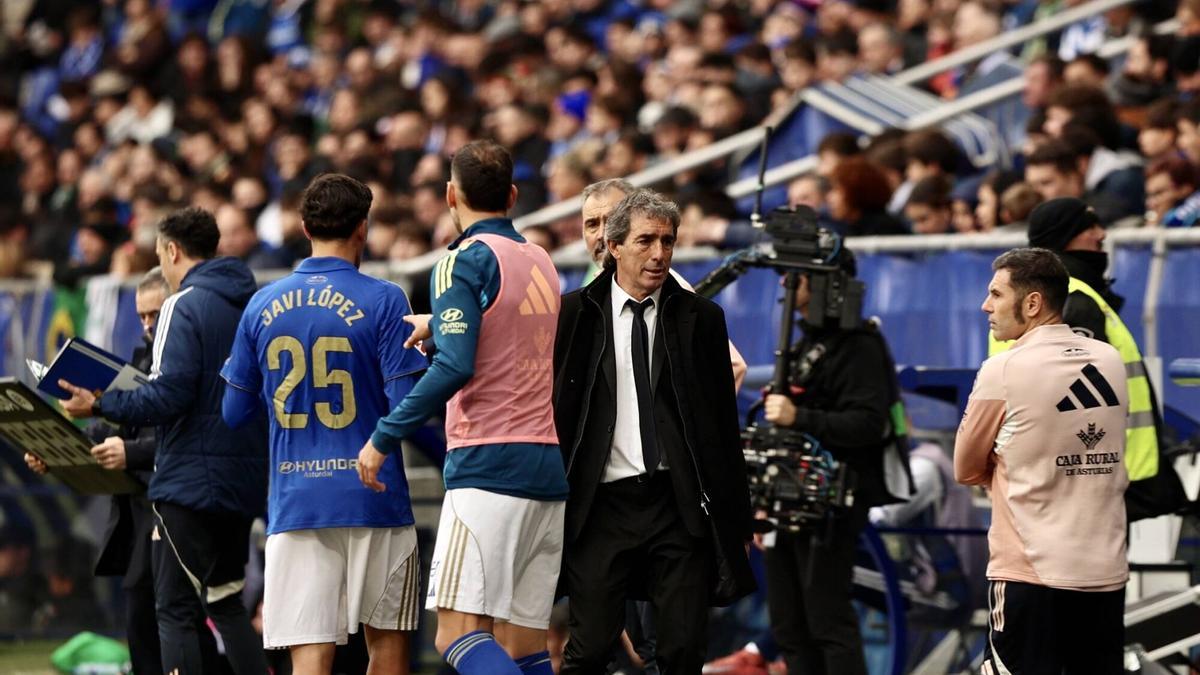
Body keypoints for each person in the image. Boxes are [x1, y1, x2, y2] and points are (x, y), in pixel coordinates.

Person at [356, 140, 567, 675]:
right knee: (525, 645)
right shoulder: (540, 259)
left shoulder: (460, 262)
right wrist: (441, 327)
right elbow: (506, 334)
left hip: (488, 464)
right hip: (547, 465)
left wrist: (384, 436)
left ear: (451, 194)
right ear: (513, 195)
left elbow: (456, 368)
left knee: (456, 635)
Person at [219, 174, 427, 674]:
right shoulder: (386, 299)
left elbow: (233, 413)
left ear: (305, 228)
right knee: (387, 654)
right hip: (373, 497)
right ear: (363, 228)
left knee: (310, 660)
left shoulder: (262, 304)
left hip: (296, 502)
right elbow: (407, 405)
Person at [58, 207, 269, 675]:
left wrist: (99, 404)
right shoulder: (253, 302)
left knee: (173, 609)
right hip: (244, 478)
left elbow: (168, 395)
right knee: (228, 604)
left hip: (189, 481)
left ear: (172, 251)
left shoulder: (184, 304)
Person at [553, 188, 755, 673]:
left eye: (668, 241)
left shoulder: (700, 318)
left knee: (681, 648)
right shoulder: (573, 314)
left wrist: (736, 516)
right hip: (600, 504)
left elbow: (720, 427)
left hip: (675, 500)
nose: (660, 253)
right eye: (646, 241)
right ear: (615, 247)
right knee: (591, 648)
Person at [957, 247, 1128, 674]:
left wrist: (1007, 464)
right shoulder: (1109, 360)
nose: (986, 306)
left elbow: (965, 468)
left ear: (1032, 304)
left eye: (996, 294)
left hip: (1030, 577)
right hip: (1104, 572)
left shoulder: (1004, 369)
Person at [759, 250, 910, 675]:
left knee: (826, 620)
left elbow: (866, 423)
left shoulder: (859, 344)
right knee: (789, 624)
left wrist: (798, 416)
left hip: (832, 501)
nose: (785, 287)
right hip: (789, 502)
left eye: (796, 278)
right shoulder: (806, 341)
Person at [26, 268, 172, 675]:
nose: (147, 324)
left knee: (168, 610)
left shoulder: (184, 361)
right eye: (142, 315)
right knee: (140, 602)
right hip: (139, 500)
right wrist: (54, 450)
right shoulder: (143, 357)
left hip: (171, 499)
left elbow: (180, 438)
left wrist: (131, 450)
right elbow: (114, 426)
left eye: (155, 314)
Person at [989, 198, 1166, 505]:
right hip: (1089, 477)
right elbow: (1075, 400)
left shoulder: (1041, 292)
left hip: (1069, 474)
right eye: (1089, 227)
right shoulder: (1071, 297)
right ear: (1064, 236)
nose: (1102, 234)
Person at [580, 178, 747, 391]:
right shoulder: (594, 285)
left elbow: (733, 367)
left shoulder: (670, 286)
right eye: (592, 224)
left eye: (612, 221)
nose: (602, 234)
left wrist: (683, 419)